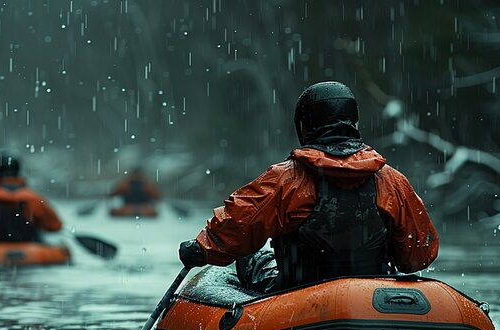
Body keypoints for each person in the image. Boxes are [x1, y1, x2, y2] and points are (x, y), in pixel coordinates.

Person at [178, 81, 439, 293]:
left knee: (249, 256)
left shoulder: (287, 179)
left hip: (298, 295)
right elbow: (418, 256)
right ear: (354, 123)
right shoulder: (391, 180)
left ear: (304, 126)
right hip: (373, 294)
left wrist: (201, 248)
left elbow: (235, 227)